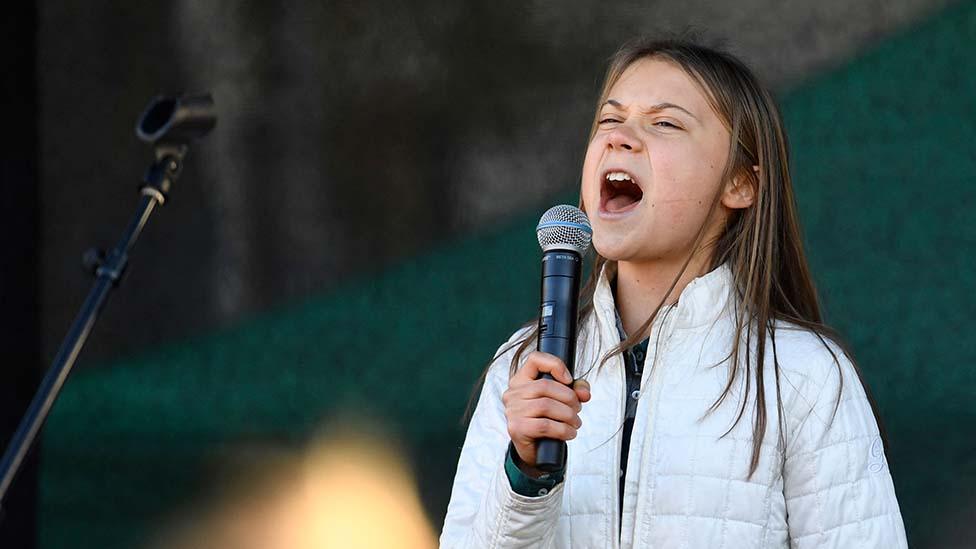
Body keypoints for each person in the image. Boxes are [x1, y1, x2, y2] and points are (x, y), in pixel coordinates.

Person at [439, 36, 908, 548]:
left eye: (664, 123)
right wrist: (526, 476)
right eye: (609, 121)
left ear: (740, 184)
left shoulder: (804, 375)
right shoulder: (523, 366)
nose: (621, 138)